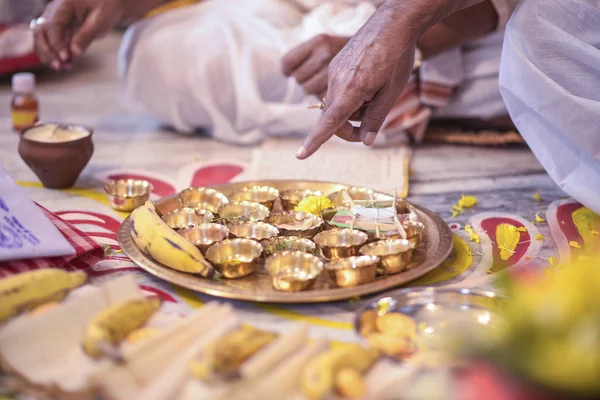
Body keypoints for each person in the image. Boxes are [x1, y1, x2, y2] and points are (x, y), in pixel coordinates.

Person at [33, 0, 514, 145]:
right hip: (303, 10)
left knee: (529, 51)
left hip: (441, 17)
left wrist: (391, 33)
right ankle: (351, 75)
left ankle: (382, 77)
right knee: (159, 54)